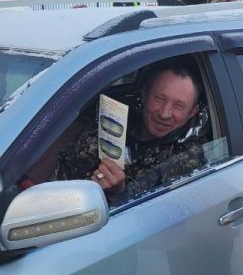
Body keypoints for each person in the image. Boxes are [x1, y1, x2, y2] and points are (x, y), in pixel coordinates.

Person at [53, 60, 208, 204]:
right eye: (159, 98)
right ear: (144, 94)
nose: (164, 113)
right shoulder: (105, 127)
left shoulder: (191, 158)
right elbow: (58, 173)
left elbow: (160, 218)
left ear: (192, 112)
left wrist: (119, 193)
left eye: (178, 105)